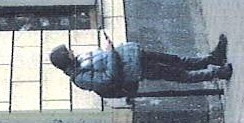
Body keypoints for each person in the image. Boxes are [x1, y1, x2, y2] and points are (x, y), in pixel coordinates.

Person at [48, 36, 231, 99]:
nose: (72, 50)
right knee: (180, 75)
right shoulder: (80, 78)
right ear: (66, 58)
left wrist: (114, 49)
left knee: (177, 60)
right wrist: (111, 52)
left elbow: (104, 58)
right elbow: (110, 78)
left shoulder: (80, 60)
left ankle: (212, 59)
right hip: (136, 69)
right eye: (68, 52)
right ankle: (218, 73)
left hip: (135, 54)